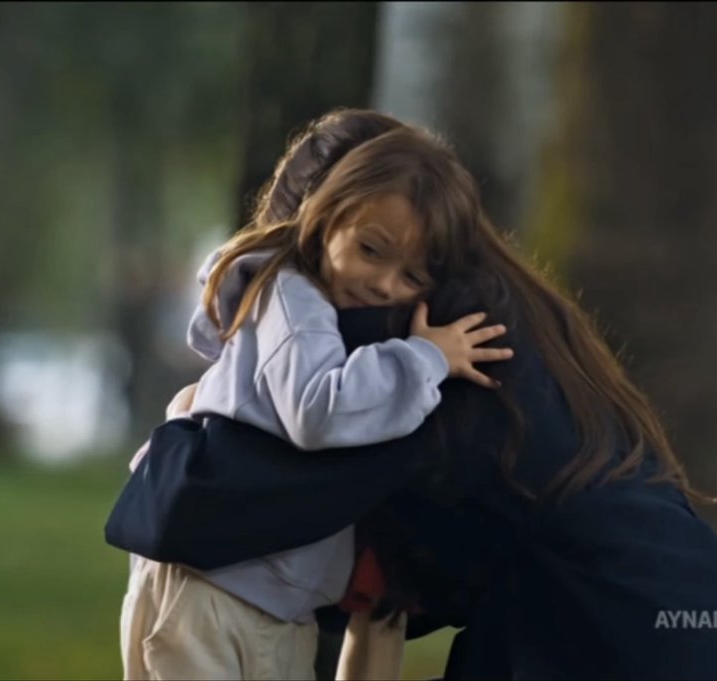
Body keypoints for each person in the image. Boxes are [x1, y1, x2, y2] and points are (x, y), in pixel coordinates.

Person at [106, 126, 717, 680]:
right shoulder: (520, 337)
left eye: (406, 265)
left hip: (606, 637)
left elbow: (190, 506)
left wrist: (192, 423)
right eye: (367, 253)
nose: (381, 284)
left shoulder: (445, 351)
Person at [118, 109, 514, 681]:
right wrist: (427, 359)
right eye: (372, 250)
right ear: (327, 216)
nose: (384, 284)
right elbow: (319, 410)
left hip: (254, 595)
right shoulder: (291, 298)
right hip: (219, 592)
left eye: (412, 278)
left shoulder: (310, 307)